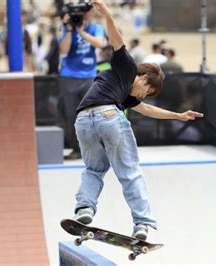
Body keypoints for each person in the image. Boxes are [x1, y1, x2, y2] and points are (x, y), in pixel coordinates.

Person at [71, 0, 204, 240]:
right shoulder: (127, 68)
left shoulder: (123, 92)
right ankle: (142, 223)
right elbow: (116, 40)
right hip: (108, 115)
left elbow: (148, 111)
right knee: (130, 171)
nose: (145, 96)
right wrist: (108, 15)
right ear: (143, 76)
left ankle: (84, 208)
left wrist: (177, 115)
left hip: (83, 121)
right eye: (148, 90)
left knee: (94, 169)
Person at [59, 0, 106, 160]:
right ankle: (76, 149)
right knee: (72, 115)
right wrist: (70, 29)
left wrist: (81, 32)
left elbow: (100, 44)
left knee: (92, 113)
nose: (86, 14)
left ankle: (95, 149)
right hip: (69, 75)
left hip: (88, 75)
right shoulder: (66, 27)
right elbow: (63, 51)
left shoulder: (96, 28)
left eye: (88, 10)